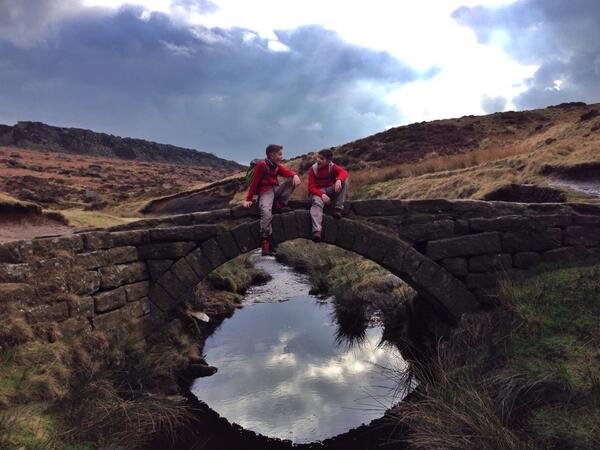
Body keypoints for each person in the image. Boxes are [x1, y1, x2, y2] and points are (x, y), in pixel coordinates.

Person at [243, 144, 301, 255]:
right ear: (272, 154)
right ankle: (265, 239)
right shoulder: (262, 165)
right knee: (265, 210)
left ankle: (280, 205)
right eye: (279, 154)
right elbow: (254, 183)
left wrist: (295, 175)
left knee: (291, 180)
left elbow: (287, 172)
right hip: (265, 192)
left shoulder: (277, 166)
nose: (282, 157)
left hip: (275, 190)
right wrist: (248, 199)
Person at [308, 149, 349, 242]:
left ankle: (338, 209)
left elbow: (344, 173)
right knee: (317, 203)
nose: (318, 160)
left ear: (328, 161)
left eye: (321, 159)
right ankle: (317, 231)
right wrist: (322, 194)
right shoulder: (313, 169)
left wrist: (339, 179)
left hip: (330, 190)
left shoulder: (332, 166)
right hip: (317, 193)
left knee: (344, 182)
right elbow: (311, 187)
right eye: (318, 157)